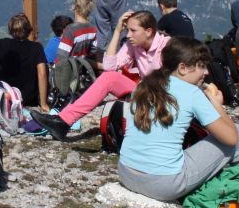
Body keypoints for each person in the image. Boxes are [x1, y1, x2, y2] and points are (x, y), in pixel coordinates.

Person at [117, 37, 239, 208]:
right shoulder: (192, 92)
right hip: (163, 184)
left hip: (126, 173)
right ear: (183, 68)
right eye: (201, 66)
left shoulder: (144, 84)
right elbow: (232, 139)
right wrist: (216, 104)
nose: (206, 72)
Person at [31, 10, 169, 141]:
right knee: (109, 77)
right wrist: (117, 31)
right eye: (127, 30)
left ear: (149, 31)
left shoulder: (167, 46)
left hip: (164, 99)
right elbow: (109, 66)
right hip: (144, 92)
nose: (128, 35)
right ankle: (63, 121)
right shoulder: (133, 45)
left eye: (133, 31)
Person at [0, 13, 49, 111]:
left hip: (5, 97)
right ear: (28, 29)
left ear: (10, 30)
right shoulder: (37, 48)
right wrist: (43, 104)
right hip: (28, 100)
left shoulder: (2, 44)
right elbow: (42, 73)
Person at [53, 0, 99, 65]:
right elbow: (93, 54)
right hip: (84, 71)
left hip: (70, 72)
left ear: (76, 8)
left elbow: (60, 59)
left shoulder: (70, 30)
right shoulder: (93, 29)